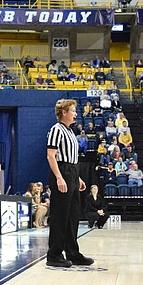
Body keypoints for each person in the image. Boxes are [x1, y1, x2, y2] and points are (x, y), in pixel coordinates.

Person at [45, 99, 93, 268]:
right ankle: (54, 254)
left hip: (72, 171)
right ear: (64, 112)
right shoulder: (56, 130)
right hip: (62, 171)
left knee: (73, 215)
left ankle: (73, 252)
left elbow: (72, 159)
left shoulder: (71, 132)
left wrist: (77, 177)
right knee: (60, 215)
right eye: (72, 111)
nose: (75, 114)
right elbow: (51, 156)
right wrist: (59, 177)